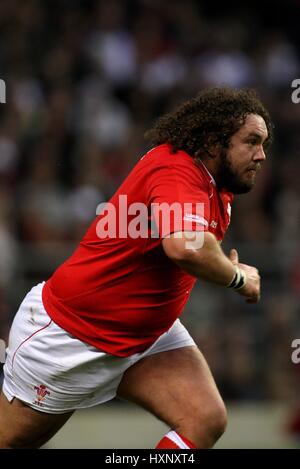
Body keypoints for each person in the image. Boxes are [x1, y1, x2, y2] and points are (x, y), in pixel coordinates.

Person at [0, 87, 272, 449]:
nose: (262, 155)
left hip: (146, 337)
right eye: (251, 141)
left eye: (263, 143)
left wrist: (219, 261)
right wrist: (239, 279)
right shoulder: (176, 168)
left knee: (204, 419)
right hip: (70, 336)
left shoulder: (217, 187)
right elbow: (185, 247)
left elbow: (194, 245)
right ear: (212, 141)